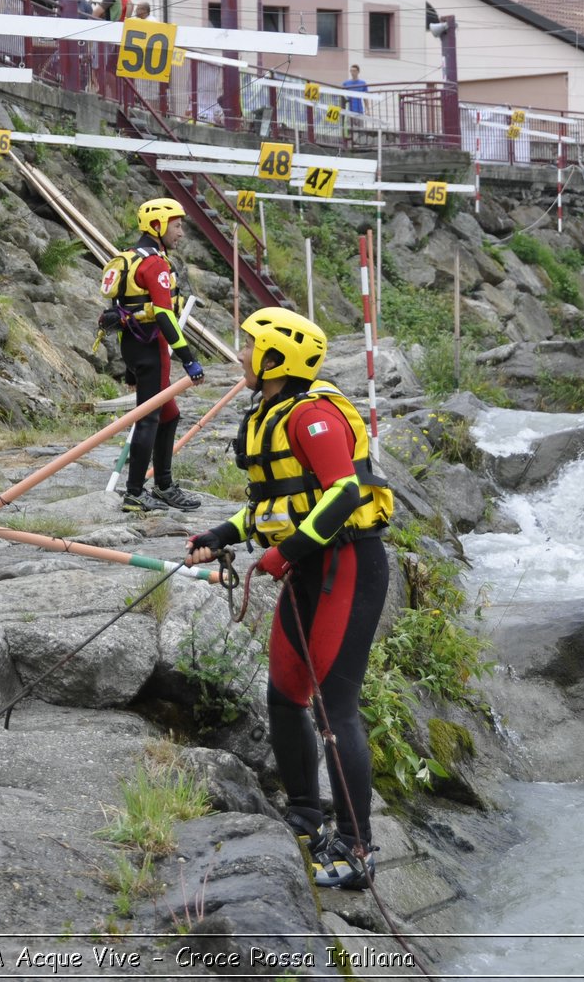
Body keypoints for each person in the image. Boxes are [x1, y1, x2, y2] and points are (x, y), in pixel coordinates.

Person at [184, 307, 395, 891]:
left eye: (249, 347)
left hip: (346, 565)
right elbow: (273, 504)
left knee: (336, 709)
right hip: (309, 568)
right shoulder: (270, 413)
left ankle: (356, 848)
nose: (241, 356)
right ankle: (304, 813)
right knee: (284, 696)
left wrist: (290, 551)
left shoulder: (314, 416)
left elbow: (345, 494)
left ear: (278, 359)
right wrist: (221, 536)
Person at [103, 198, 205, 514]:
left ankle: (163, 485)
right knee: (150, 417)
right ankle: (135, 492)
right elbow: (163, 314)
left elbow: (124, 310)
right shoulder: (155, 264)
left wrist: (131, 371)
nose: (182, 233)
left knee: (169, 415)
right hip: (151, 349)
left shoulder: (131, 258)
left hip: (134, 347)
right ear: (158, 226)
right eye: (177, 225)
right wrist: (188, 358)